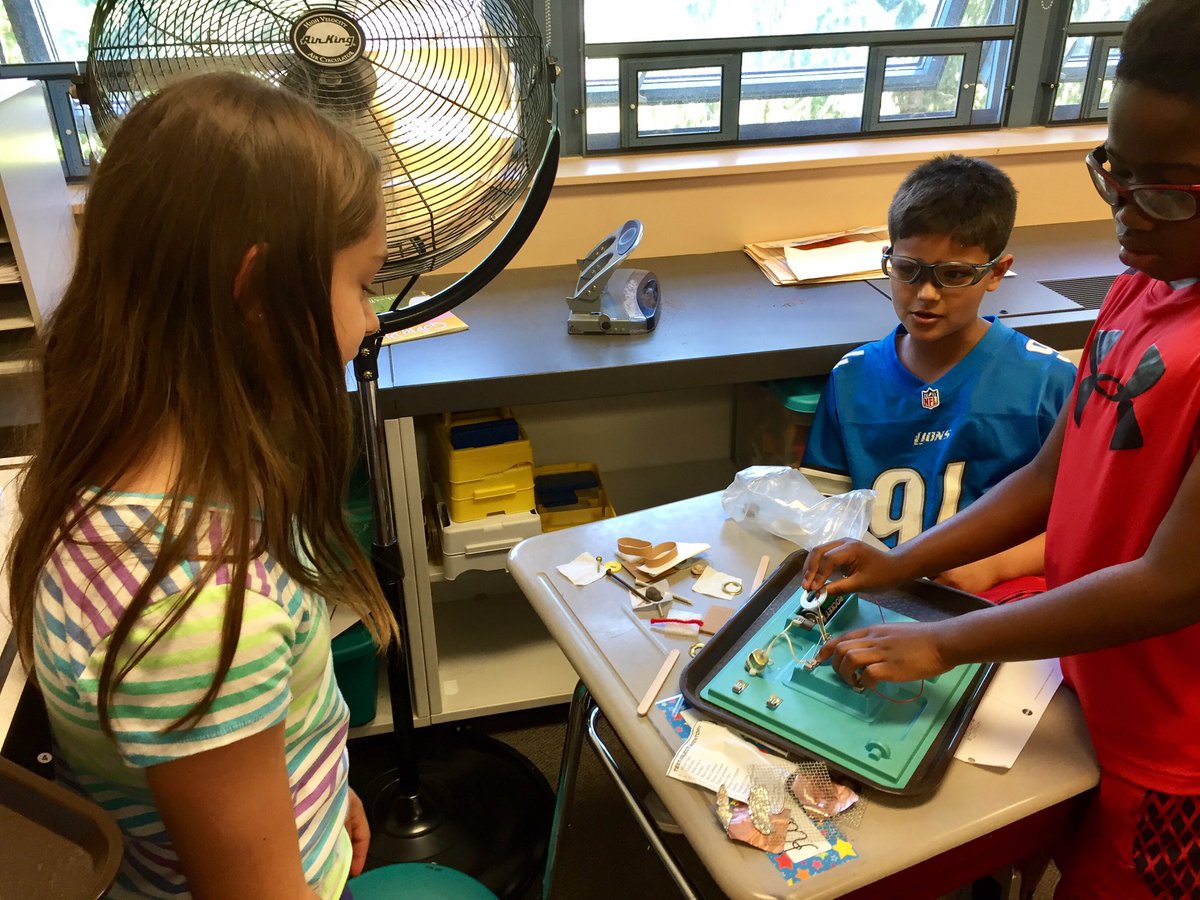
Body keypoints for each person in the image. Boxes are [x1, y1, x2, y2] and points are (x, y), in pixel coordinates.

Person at [802, 1, 1200, 895]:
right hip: (1082, 677)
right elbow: (1050, 476)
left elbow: (1174, 584)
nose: (1127, 213)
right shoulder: (1144, 286)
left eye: (1167, 188)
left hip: (1174, 744)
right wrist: (900, 565)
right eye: (1115, 171)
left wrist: (950, 644)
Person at [4, 72, 398, 899]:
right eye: (360, 284)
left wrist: (322, 799)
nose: (369, 322)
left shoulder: (114, 470)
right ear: (256, 291)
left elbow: (234, 749)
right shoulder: (200, 611)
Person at [802, 154, 1075, 600]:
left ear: (997, 273)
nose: (925, 295)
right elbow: (822, 513)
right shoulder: (851, 378)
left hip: (1003, 598)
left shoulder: (1050, 382)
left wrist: (995, 565)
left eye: (953, 275)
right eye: (908, 270)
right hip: (879, 597)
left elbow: (1090, 524)